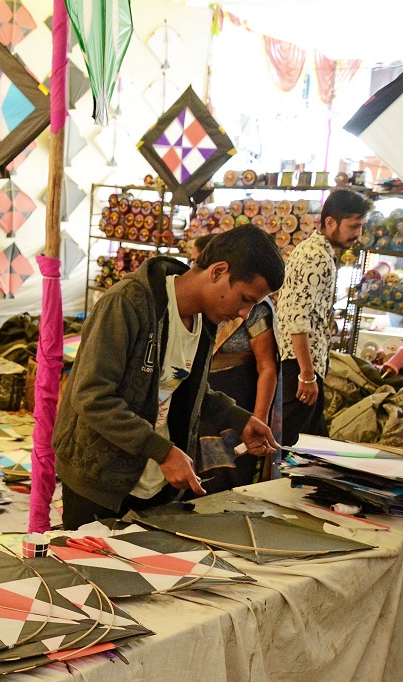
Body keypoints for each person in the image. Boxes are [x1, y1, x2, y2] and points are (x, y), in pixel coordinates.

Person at [53, 225, 285, 531]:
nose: (245, 313)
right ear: (218, 271)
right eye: (245, 298)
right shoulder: (128, 303)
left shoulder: (204, 318)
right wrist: (162, 450)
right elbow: (92, 396)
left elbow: (181, 386)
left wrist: (239, 419)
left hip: (157, 483)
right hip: (99, 481)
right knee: (87, 574)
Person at [276, 189, 372, 445]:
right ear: (330, 222)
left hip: (303, 364)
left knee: (313, 445)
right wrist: (306, 375)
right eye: (354, 226)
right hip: (299, 366)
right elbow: (298, 320)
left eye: (361, 226)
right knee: (293, 448)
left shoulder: (316, 251)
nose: (358, 234)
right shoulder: (316, 258)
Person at [193, 233, 281, 490]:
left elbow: (267, 367)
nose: (244, 311)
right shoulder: (201, 305)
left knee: (226, 476)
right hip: (206, 396)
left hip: (235, 395)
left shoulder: (254, 311)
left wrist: (257, 420)